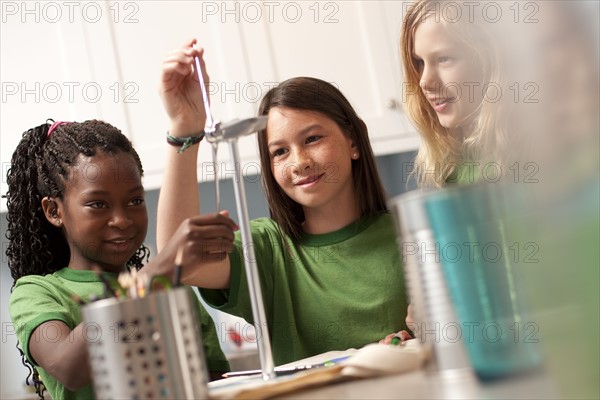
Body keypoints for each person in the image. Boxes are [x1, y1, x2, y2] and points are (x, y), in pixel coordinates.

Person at [155, 40, 408, 365]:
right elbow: (177, 257)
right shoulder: (266, 249)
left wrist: (416, 339)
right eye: (280, 151)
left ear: (353, 140)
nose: (299, 162)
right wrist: (184, 127)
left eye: (313, 139)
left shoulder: (412, 235)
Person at [6, 120, 230, 400]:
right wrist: (157, 272)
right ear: (54, 210)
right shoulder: (38, 293)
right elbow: (69, 368)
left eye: (135, 201)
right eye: (98, 204)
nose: (122, 220)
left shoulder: (170, 287)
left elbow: (216, 383)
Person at [399, 0, 530, 188]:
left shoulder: (536, 151)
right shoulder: (449, 168)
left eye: (444, 59)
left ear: (489, 62)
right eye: (419, 62)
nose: (424, 81)